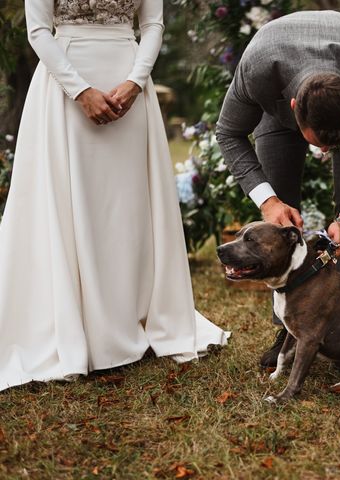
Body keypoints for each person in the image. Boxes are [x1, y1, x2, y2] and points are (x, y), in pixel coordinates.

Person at [0, 0, 229, 392]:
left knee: (127, 209)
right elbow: (38, 30)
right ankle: (77, 326)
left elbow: (153, 25)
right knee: (76, 205)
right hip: (64, 85)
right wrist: (80, 90)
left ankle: (128, 319)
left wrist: (136, 80)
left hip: (130, 87)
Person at [215, 10, 340, 368]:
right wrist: (268, 201)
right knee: (278, 204)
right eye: (320, 143)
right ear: (295, 109)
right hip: (280, 84)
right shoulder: (259, 68)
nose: (327, 152)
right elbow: (228, 133)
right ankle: (287, 331)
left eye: (336, 142)